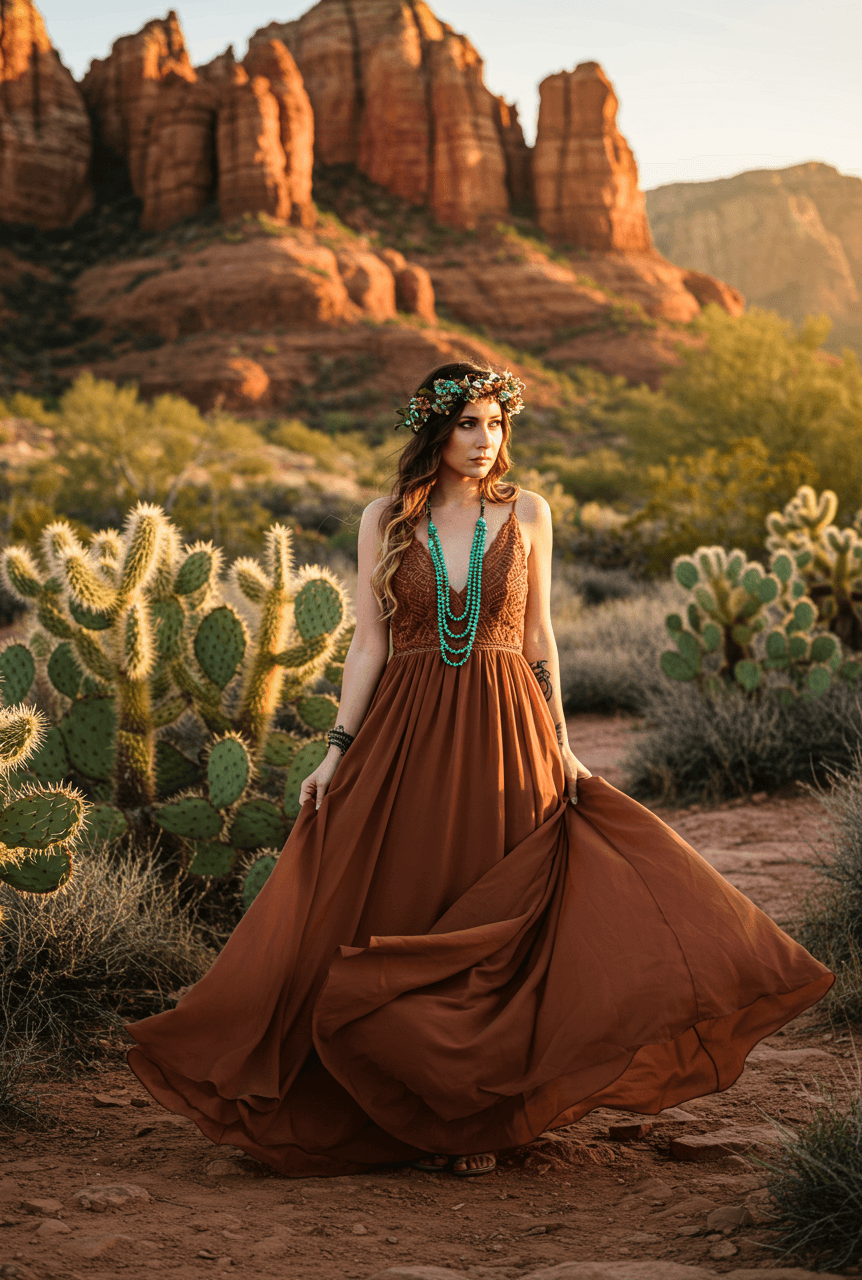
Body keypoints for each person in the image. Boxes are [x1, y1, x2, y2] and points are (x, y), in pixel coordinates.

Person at [126, 361, 834, 1179]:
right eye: (468, 424)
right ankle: (396, 1103)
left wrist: (563, 742)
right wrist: (336, 750)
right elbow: (368, 644)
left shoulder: (528, 512)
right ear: (435, 429)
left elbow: (539, 640)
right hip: (407, 729)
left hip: (508, 725)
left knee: (503, 918)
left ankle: (485, 1114)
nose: (485, 441)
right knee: (410, 896)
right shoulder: (384, 518)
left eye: (497, 424)